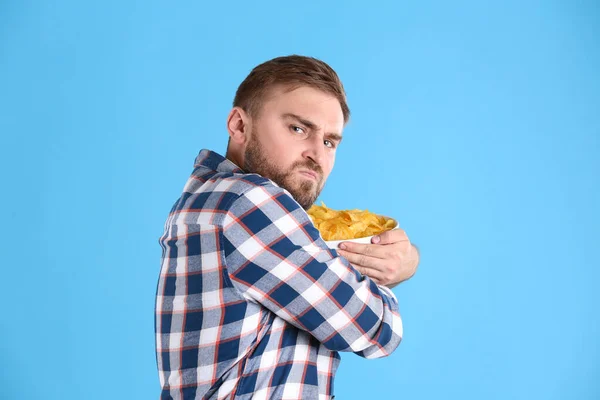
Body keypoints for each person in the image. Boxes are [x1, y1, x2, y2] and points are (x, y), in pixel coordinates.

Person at [155, 55, 420, 400]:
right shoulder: (249, 202)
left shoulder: (204, 200)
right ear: (239, 125)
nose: (316, 154)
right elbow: (377, 328)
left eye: (329, 142)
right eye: (298, 128)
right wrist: (402, 266)